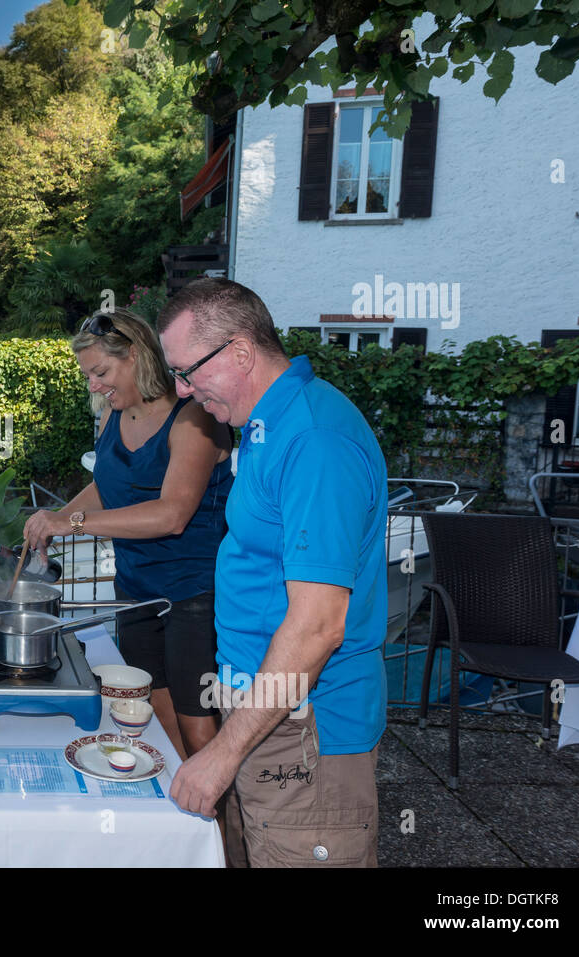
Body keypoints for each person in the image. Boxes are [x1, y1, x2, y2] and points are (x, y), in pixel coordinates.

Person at [157, 278, 387, 868]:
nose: (182, 392)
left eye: (187, 372)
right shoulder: (265, 425)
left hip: (306, 729)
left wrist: (223, 752)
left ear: (239, 352)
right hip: (267, 710)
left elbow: (317, 628)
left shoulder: (314, 440)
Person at [22, 308, 234, 760]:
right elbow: (107, 486)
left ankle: (225, 829)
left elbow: (171, 515)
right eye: (88, 376)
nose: (94, 385)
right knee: (155, 719)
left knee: (200, 733)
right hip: (135, 591)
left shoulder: (196, 419)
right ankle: (183, 825)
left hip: (195, 596)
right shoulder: (110, 419)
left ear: (136, 356)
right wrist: (52, 522)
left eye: (101, 372)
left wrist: (71, 523)